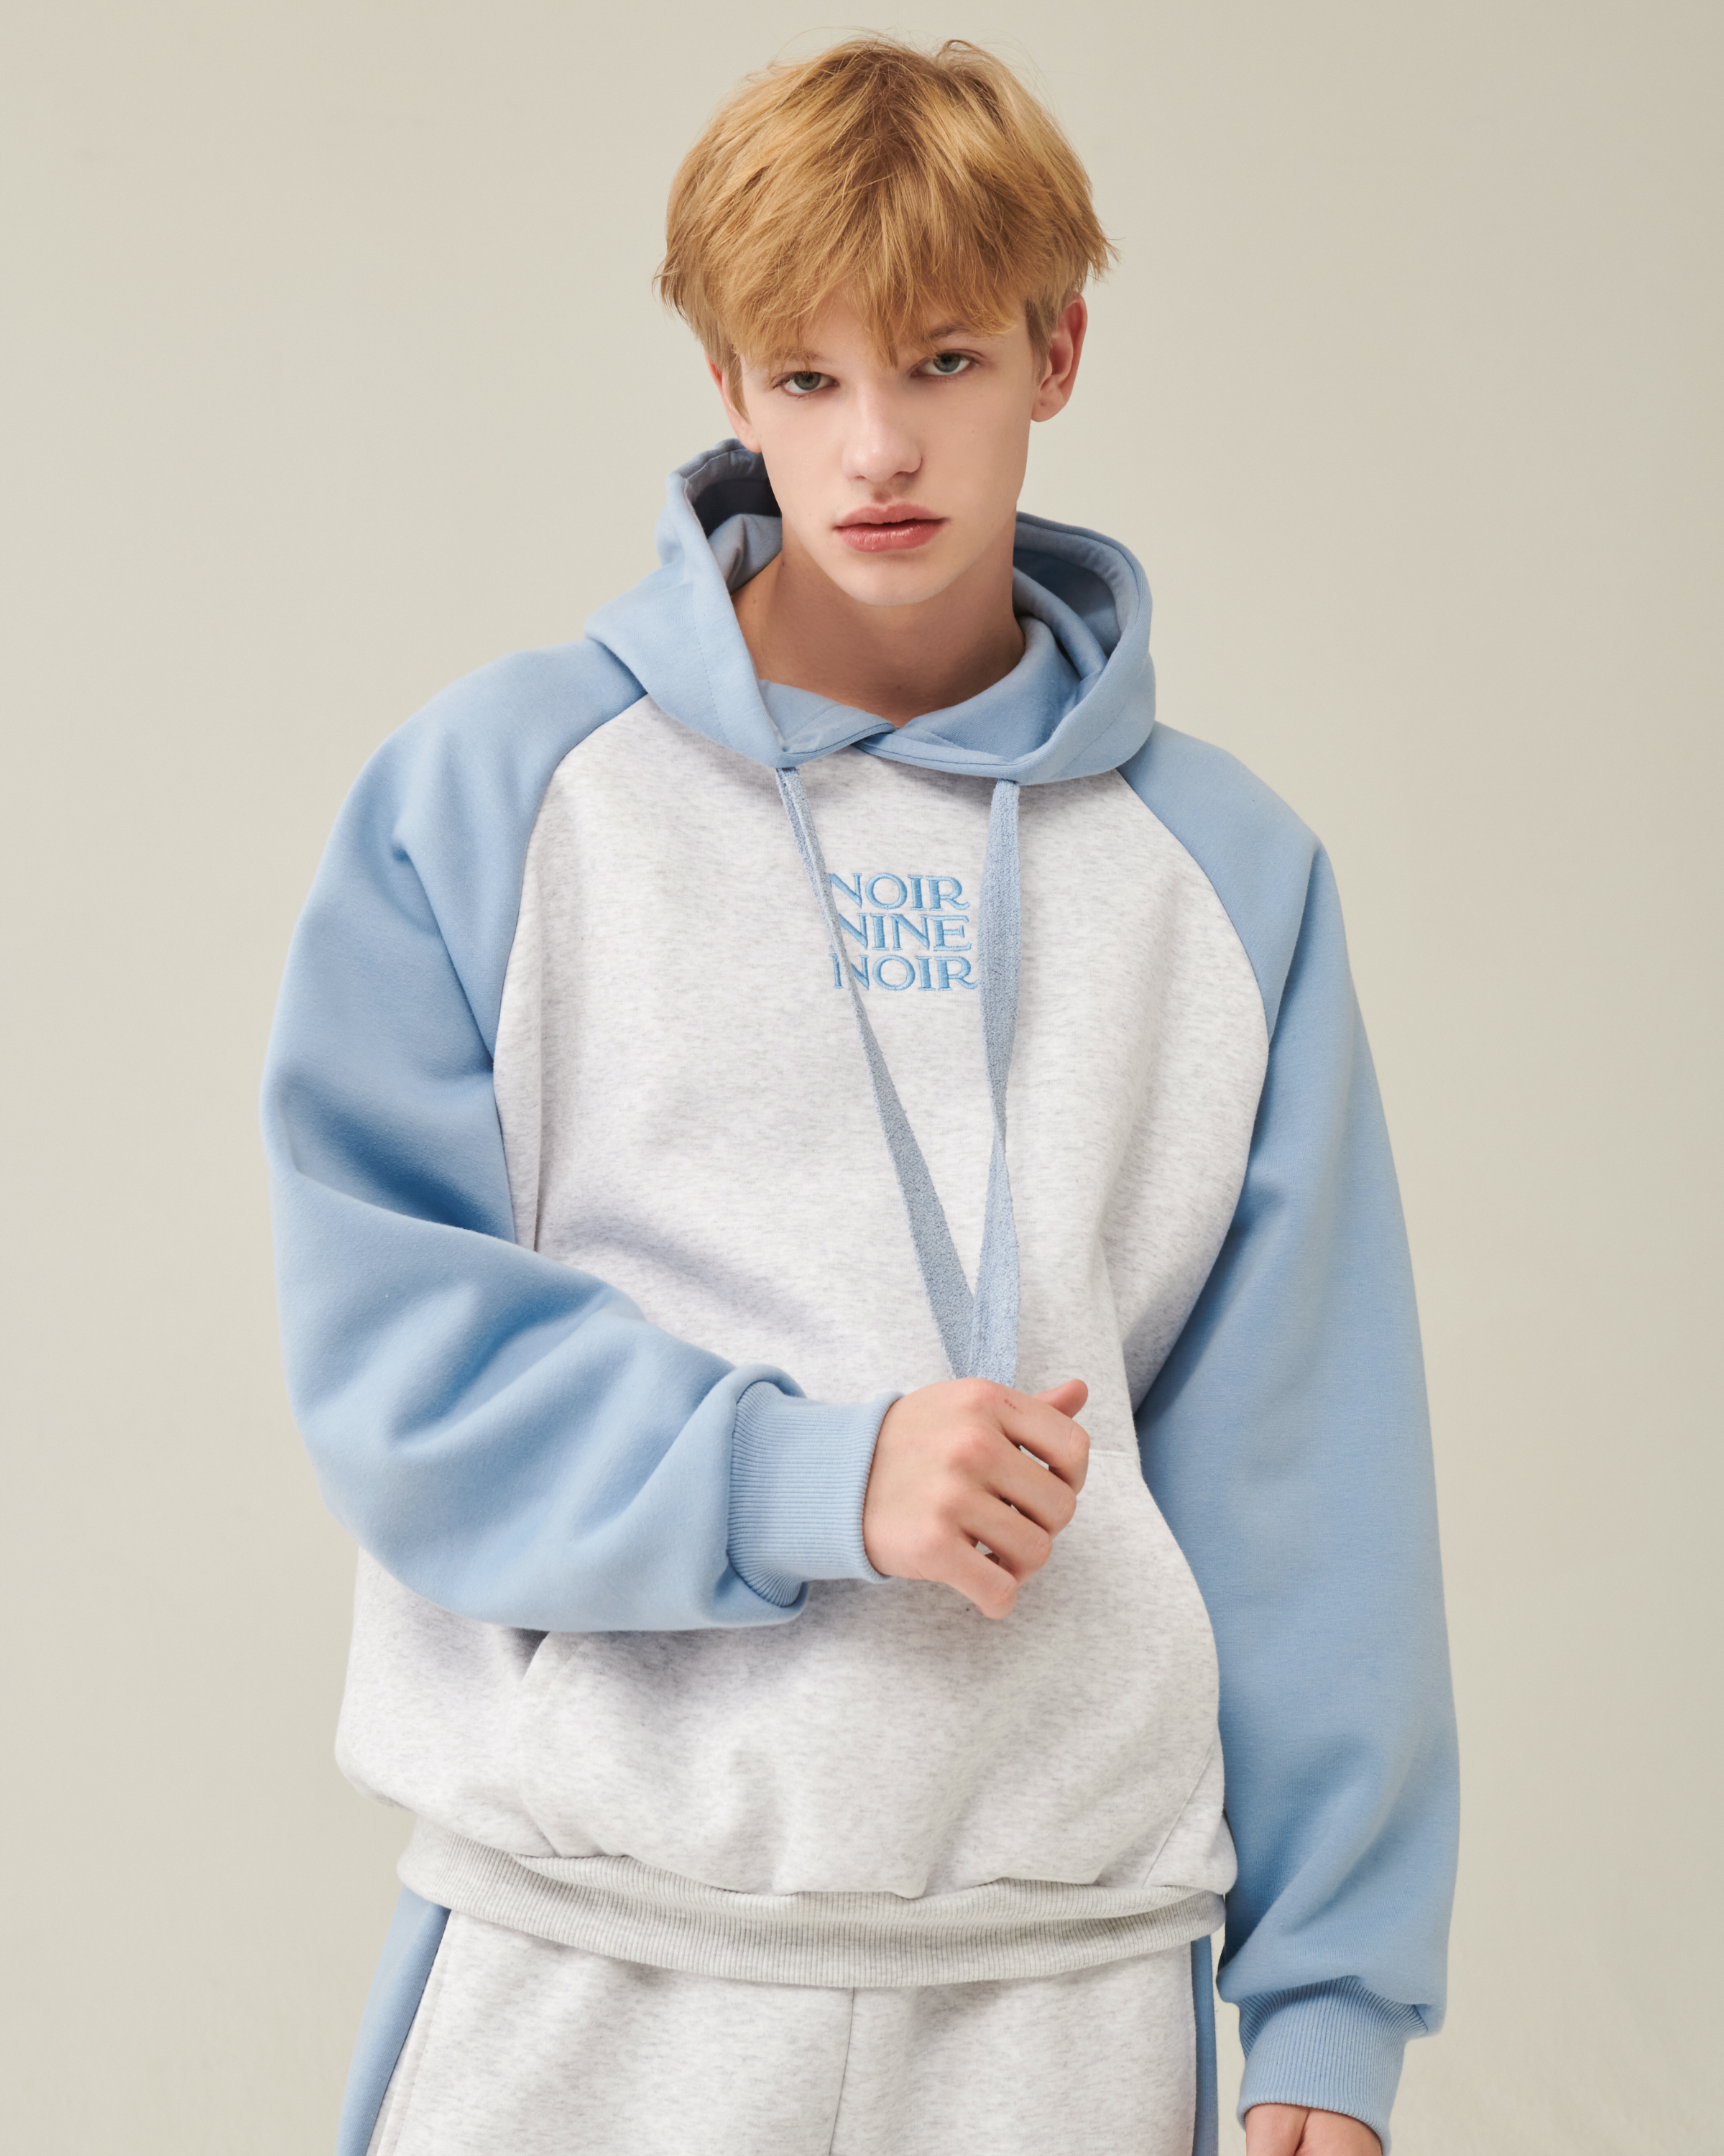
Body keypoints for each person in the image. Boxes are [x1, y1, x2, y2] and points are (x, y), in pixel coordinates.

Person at [263, 35, 1457, 2156]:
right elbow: (398, 1357)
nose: (878, 446)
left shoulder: (1227, 877)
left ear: (1058, 351)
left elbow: (1301, 1456)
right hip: (601, 1948)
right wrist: (810, 1478)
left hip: (1063, 1980)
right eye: (807, 378)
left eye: (944, 359)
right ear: (728, 384)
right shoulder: (501, 797)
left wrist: (1332, 2006)